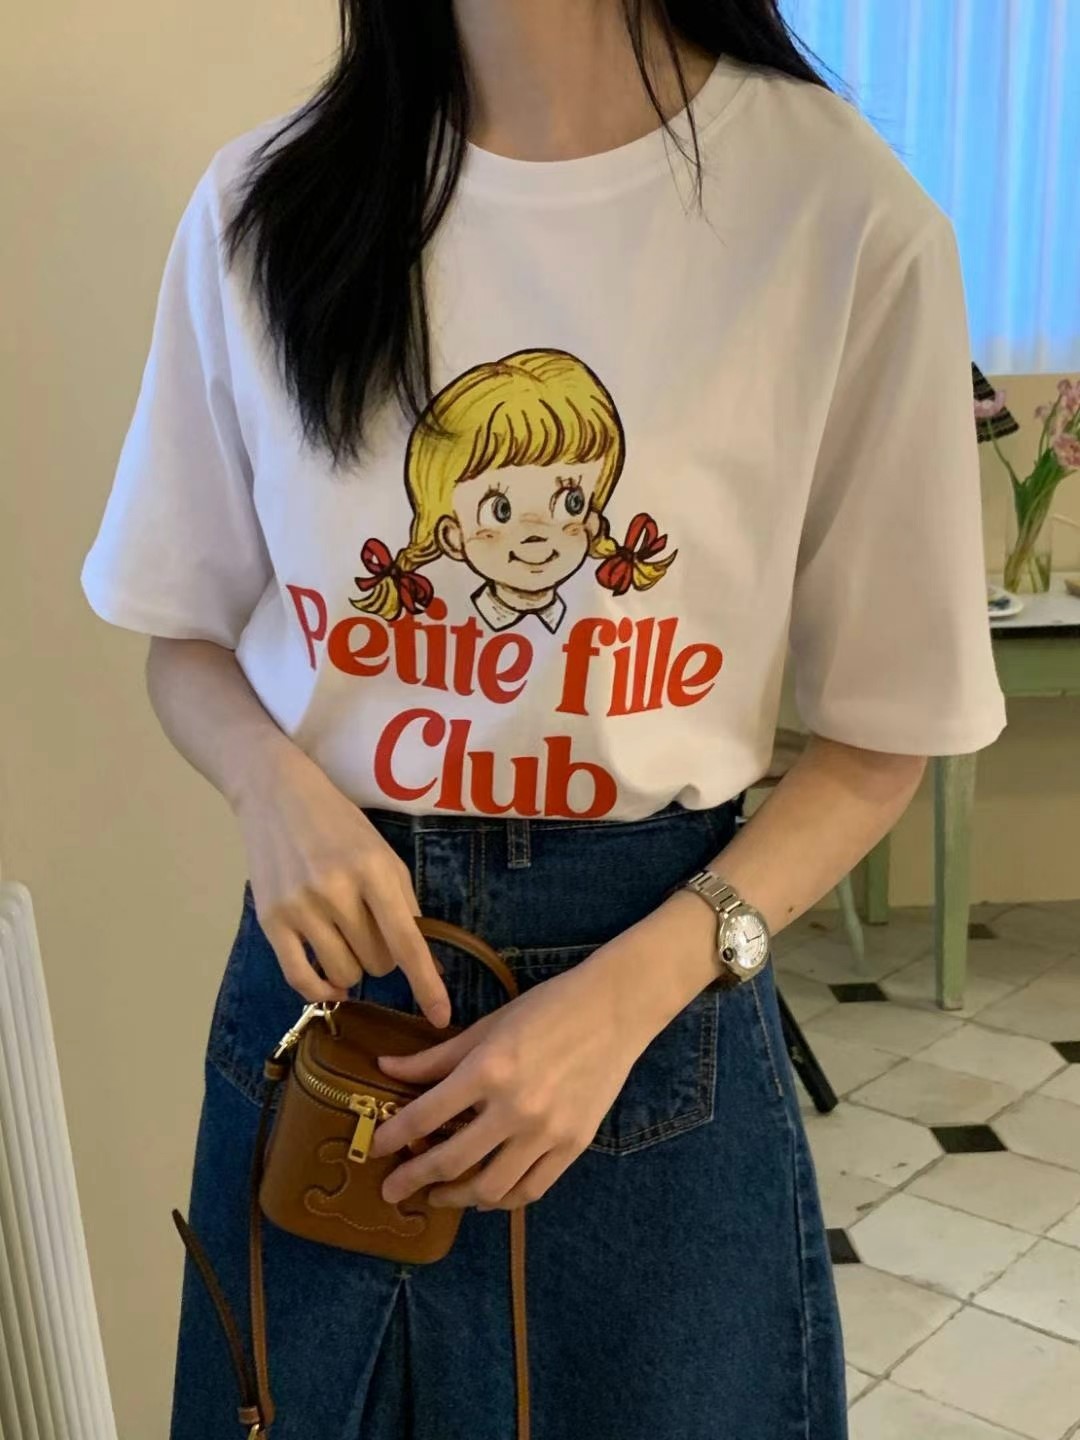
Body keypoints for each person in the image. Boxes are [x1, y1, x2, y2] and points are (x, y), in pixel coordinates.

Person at [80, 3, 1007, 1436]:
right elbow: (184, 637)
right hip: (332, 1009)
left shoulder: (841, 216)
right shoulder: (270, 205)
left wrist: (627, 1000)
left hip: (652, 1005)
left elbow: (888, 735)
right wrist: (271, 788)